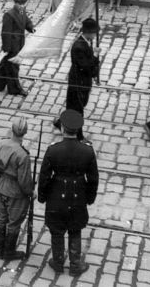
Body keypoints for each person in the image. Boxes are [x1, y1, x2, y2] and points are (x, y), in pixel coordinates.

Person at [38, 110, 98, 276]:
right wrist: (90, 198)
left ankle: (57, 263)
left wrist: (42, 196)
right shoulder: (87, 151)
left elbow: (44, 176)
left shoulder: (53, 150)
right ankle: (75, 265)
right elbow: (93, 178)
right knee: (75, 229)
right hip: (78, 196)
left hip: (56, 196)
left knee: (56, 231)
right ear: (78, 130)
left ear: (62, 128)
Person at [0, 116, 34, 263]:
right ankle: (9, 252)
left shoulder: (1, 144)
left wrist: (1, 179)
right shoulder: (23, 155)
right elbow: (24, 181)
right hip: (16, 193)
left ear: (12, 130)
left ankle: (1, 251)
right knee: (14, 223)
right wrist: (31, 193)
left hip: (2, 187)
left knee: (1, 220)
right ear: (25, 133)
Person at [0, 0, 34, 96]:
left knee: (6, 64)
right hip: (12, 46)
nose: (21, 6)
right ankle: (15, 89)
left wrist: (31, 28)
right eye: (19, 4)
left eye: (23, 4)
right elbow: (6, 32)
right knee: (13, 67)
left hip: (20, 43)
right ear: (15, 3)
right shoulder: (9, 15)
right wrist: (7, 48)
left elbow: (26, 21)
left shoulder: (22, 12)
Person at [66, 18, 100, 135]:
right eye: (94, 33)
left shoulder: (86, 42)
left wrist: (94, 74)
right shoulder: (79, 47)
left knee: (75, 106)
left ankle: (62, 123)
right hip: (78, 82)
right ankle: (78, 136)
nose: (95, 35)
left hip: (83, 81)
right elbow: (85, 66)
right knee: (78, 109)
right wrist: (95, 55)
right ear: (88, 33)